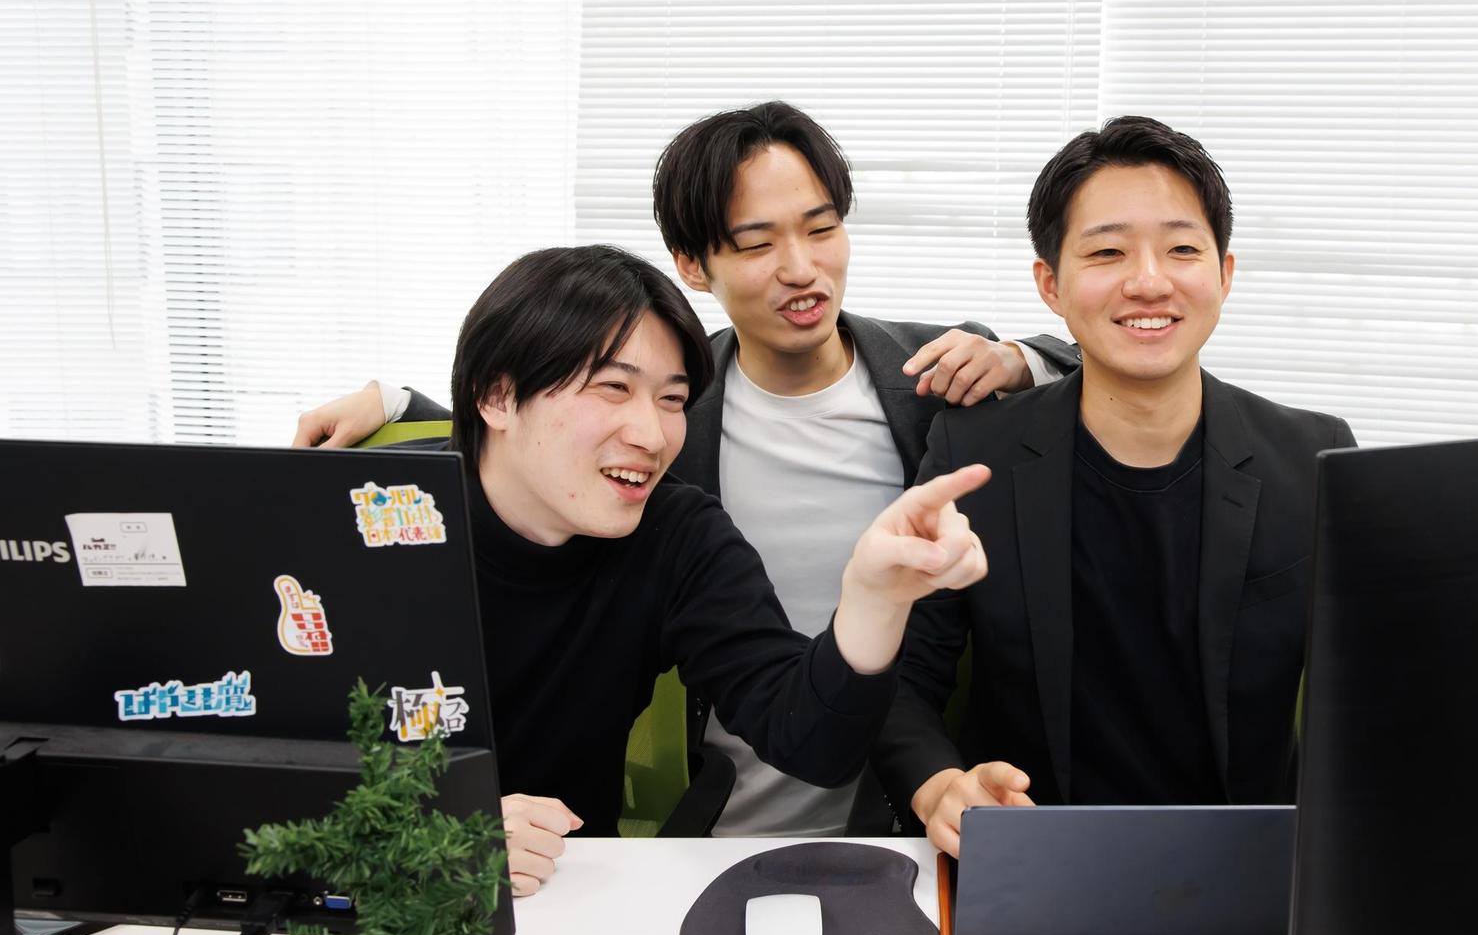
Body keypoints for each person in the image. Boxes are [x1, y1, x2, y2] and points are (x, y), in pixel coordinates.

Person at [294, 102, 1076, 836]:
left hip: (886, 808)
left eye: (821, 228)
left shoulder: (934, 378)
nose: (800, 267)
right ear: (695, 265)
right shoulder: (391, 513)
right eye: (757, 242)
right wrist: (397, 403)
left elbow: (1109, 376)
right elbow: (527, 433)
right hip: (648, 836)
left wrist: (1022, 359)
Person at [430, 243, 989, 893]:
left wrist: (875, 597)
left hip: (567, 895)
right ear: (497, 396)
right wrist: (440, 832)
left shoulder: (674, 531)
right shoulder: (377, 514)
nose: (651, 434)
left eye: (672, 399)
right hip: (367, 896)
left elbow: (811, 743)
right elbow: (320, 763)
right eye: (613, 388)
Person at [872, 116, 1356, 858]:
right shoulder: (973, 454)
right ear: (1051, 285)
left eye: (1182, 249)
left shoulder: (1312, 457)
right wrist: (939, 785)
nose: (1149, 281)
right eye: (1107, 251)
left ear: (1225, 274)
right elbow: (901, 676)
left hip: (1250, 868)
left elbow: (1373, 697)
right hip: (1034, 855)